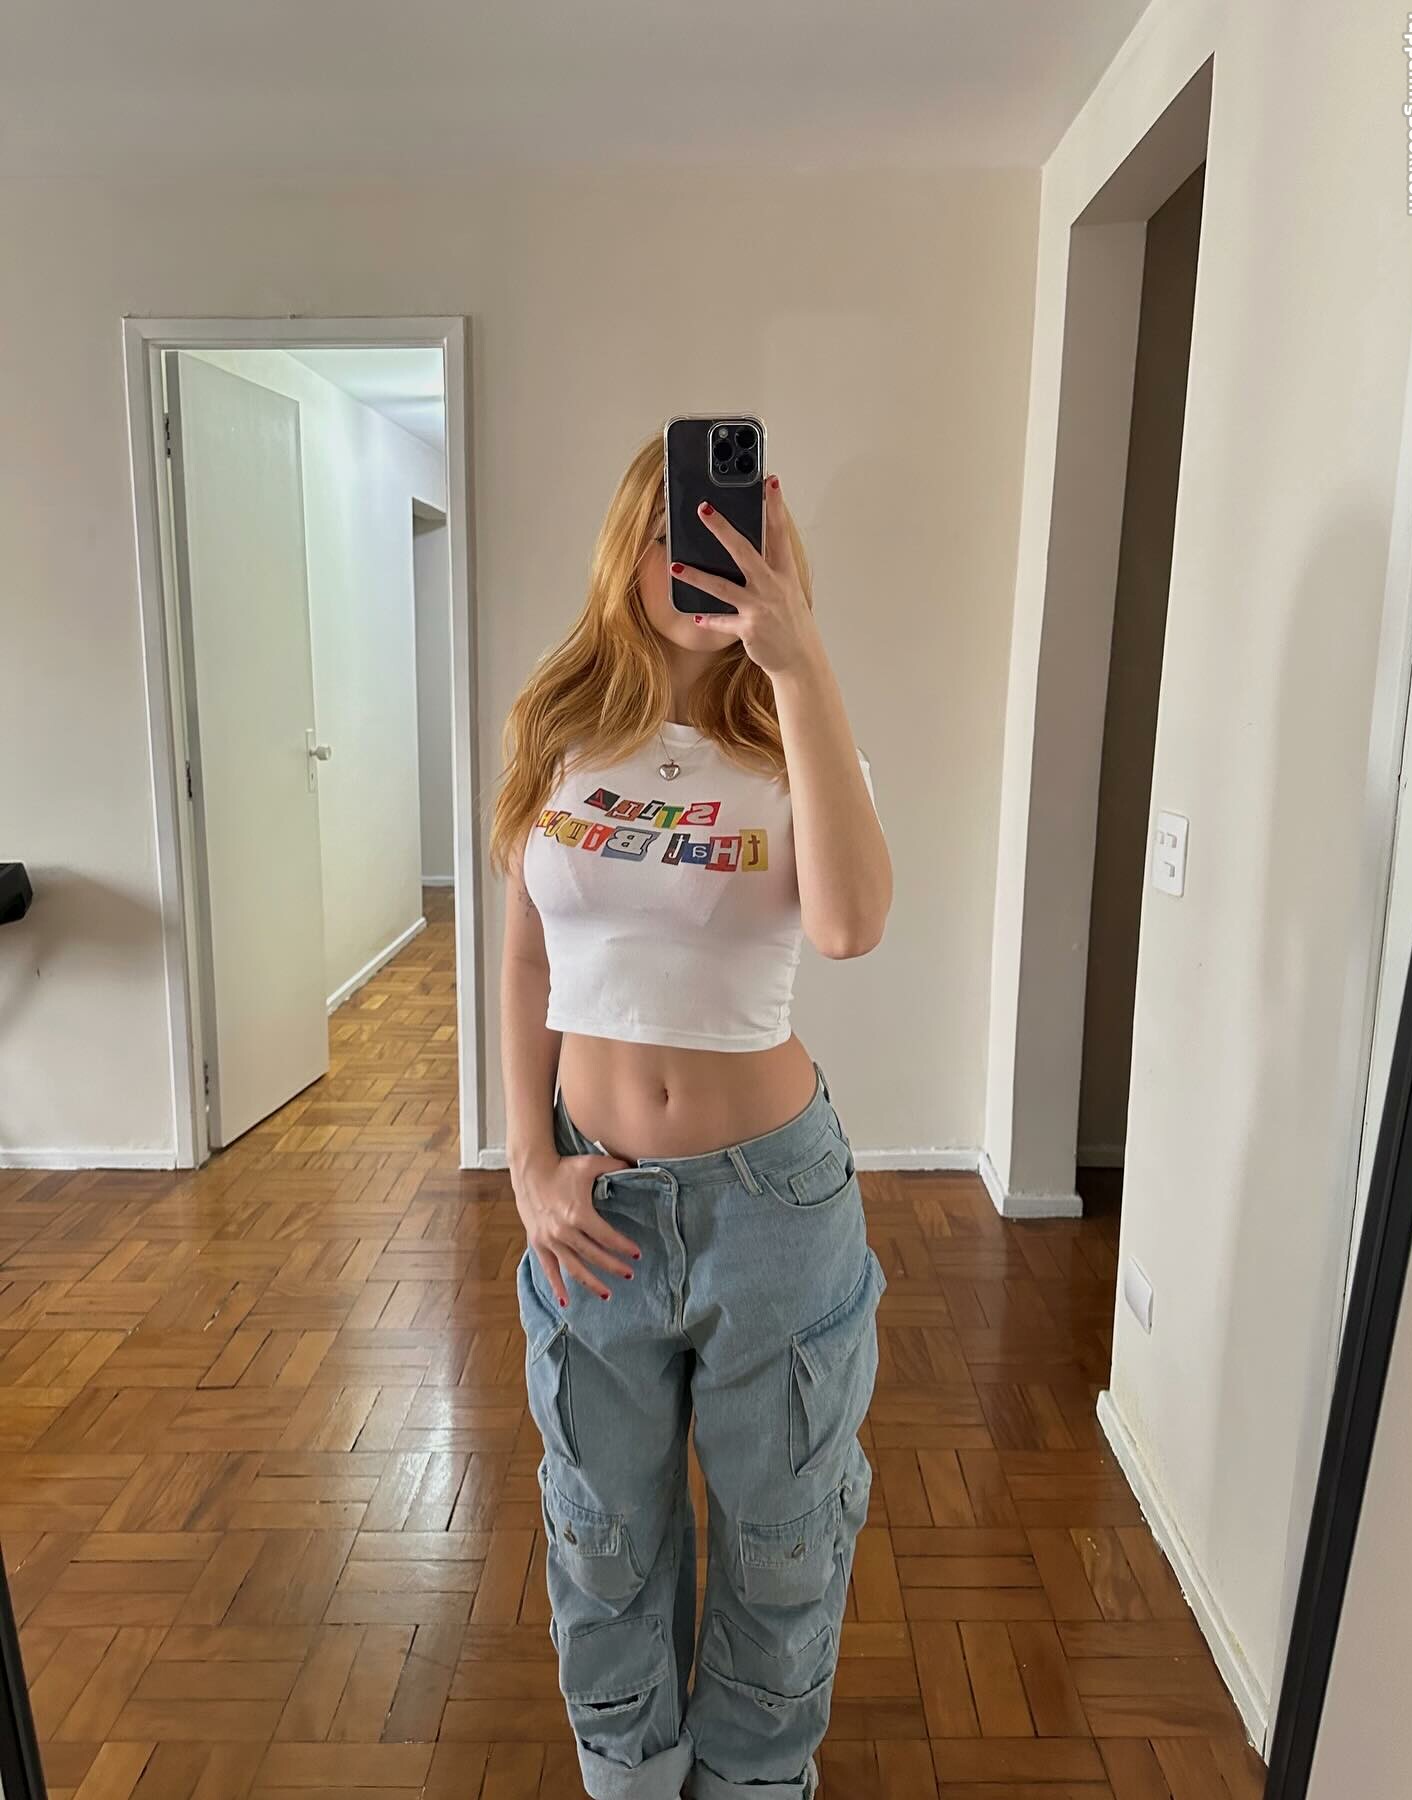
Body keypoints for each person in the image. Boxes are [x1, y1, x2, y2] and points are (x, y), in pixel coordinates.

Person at [488, 429, 892, 1800]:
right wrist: (526, 1159)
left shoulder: (795, 736)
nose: (703, 558)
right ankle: (630, 1781)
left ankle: (758, 1784)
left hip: (769, 1212)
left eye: (735, 531)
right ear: (628, 550)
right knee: (602, 1539)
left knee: (784, 1549)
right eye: (677, 530)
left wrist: (801, 660)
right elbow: (526, 960)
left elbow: (849, 926)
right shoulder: (556, 729)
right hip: (591, 1206)